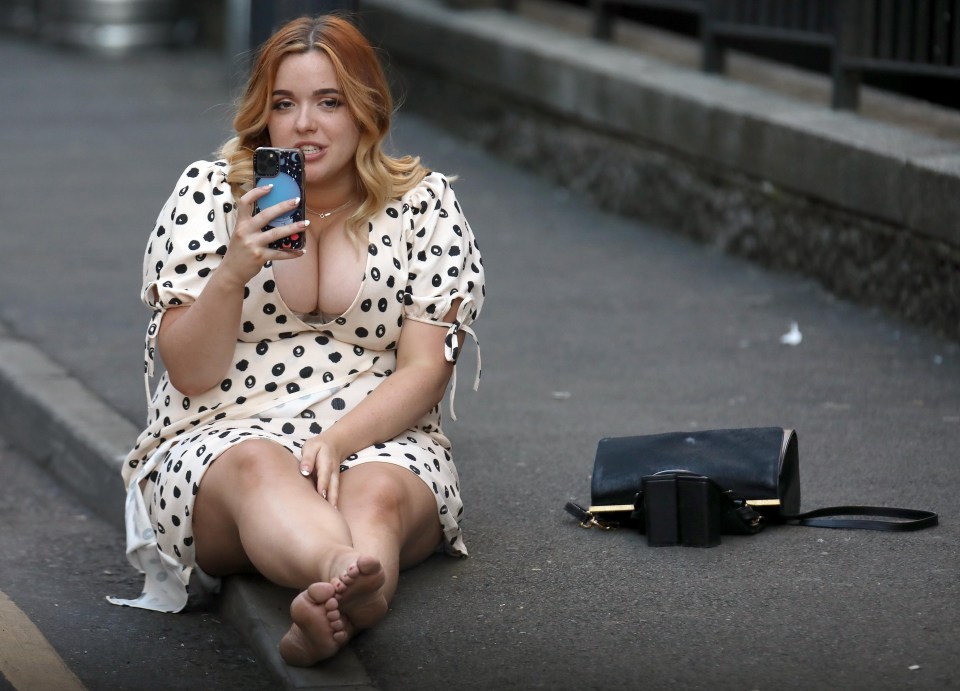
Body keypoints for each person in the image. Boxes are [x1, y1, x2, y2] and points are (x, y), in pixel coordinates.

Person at [107, 14, 485, 666]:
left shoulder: (424, 206)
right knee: (260, 463)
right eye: (286, 104)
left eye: (328, 102)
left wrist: (339, 439)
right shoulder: (212, 195)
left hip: (375, 431)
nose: (305, 123)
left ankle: (346, 601)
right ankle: (343, 570)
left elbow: (426, 369)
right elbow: (190, 373)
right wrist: (234, 270)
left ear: (365, 110)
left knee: (381, 490)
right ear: (265, 116)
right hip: (224, 431)